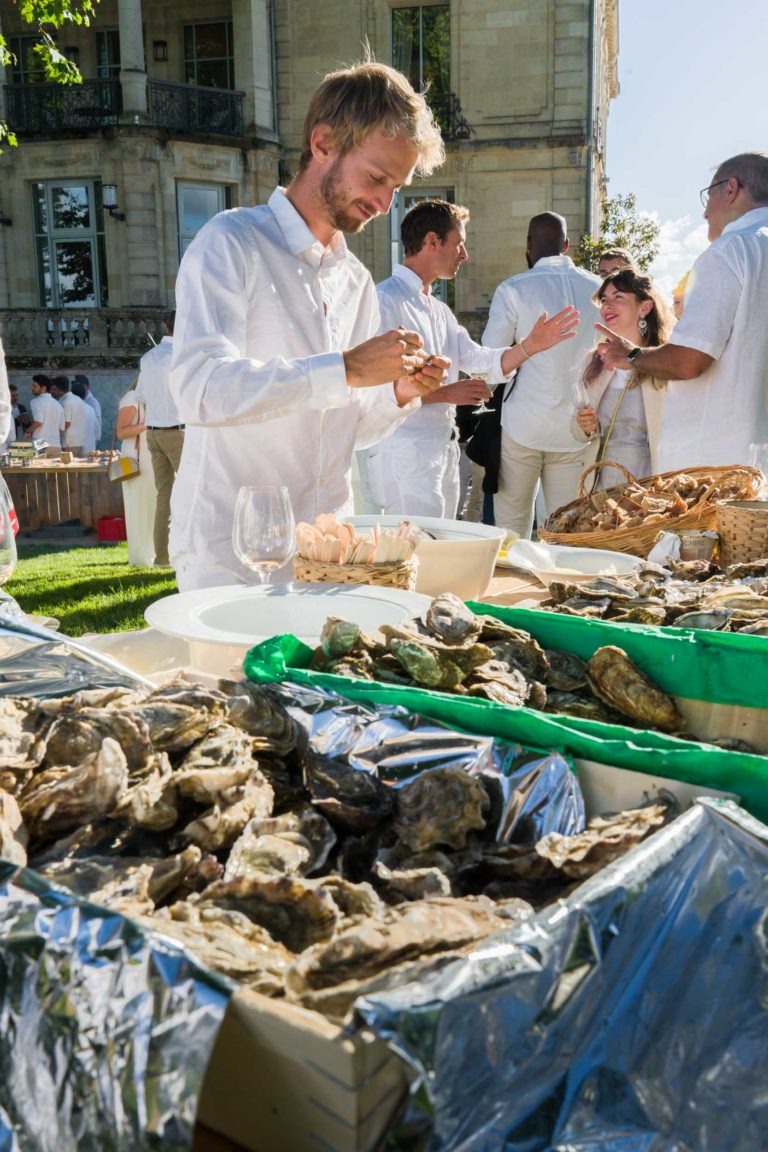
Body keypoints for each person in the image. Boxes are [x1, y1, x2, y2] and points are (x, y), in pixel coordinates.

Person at [169, 58, 448, 591]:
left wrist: (396, 392)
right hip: (230, 557)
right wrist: (342, 368)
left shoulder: (357, 281)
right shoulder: (232, 241)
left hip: (327, 554)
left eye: (397, 187)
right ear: (323, 143)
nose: (385, 204)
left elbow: (349, 430)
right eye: (376, 177)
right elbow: (198, 389)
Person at [365, 199, 580, 518]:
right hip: (403, 452)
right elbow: (373, 392)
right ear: (432, 242)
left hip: (443, 450)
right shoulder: (384, 301)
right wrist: (447, 394)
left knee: (443, 551)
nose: (464, 254)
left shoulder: (439, 310)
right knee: (417, 556)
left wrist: (530, 346)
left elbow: (480, 359)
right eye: (459, 244)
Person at [598, 152, 768, 471]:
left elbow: (689, 361)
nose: (704, 212)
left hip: (716, 465)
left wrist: (632, 355)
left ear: (731, 188)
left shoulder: (730, 251)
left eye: (709, 195)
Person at [482, 211, 602, 538]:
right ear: (566, 245)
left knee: (510, 529)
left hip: (523, 424)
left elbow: (489, 361)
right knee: (566, 533)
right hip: (576, 427)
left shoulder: (512, 289)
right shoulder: (599, 289)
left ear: (528, 245)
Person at [571, 269, 674, 488]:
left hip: (651, 486)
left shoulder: (664, 361)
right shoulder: (595, 360)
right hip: (599, 485)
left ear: (645, 307)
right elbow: (578, 431)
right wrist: (585, 425)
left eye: (618, 297)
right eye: (604, 299)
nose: (607, 305)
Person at [134, 314, 182, 567]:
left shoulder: (149, 357)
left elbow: (139, 395)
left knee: (164, 495)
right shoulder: (183, 355)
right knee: (191, 493)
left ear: (166, 326)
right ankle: (187, 554)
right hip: (178, 431)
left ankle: (162, 557)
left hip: (154, 432)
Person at [115, 380, 157, 567]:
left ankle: (155, 551)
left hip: (150, 454)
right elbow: (121, 432)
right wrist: (146, 426)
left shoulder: (154, 398)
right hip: (136, 456)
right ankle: (141, 557)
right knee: (138, 505)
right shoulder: (131, 398)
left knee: (152, 504)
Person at [50, 376, 91, 455]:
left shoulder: (66, 401)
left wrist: (52, 431)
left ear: (58, 388)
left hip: (69, 443)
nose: (53, 391)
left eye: (54, 389)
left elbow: (66, 423)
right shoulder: (78, 399)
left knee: (68, 467)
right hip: (79, 442)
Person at [26, 374, 65, 448]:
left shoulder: (35, 401)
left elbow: (39, 422)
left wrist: (27, 431)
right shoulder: (58, 404)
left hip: (41, 445)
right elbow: (62, 428)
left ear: (43, 388)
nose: (32, 388)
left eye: (35, 386)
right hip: (56, 445)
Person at [71, 380, 98, 454]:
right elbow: (97, 431)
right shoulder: (91, 409)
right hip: (90, 449)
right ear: (85, 395)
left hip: (76, 449)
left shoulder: (71, 409)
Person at [74, 373, 102, 444]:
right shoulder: (74, 401)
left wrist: (95, 439)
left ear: (86, 386)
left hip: (89, 440)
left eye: (80, 385)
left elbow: (97, 424)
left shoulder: (93, 402)